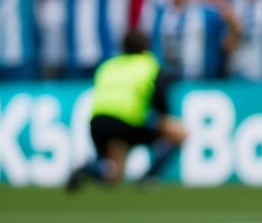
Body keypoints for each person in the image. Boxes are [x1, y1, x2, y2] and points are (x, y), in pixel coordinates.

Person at [66, 31, 187, 192]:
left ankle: (88, 168)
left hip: (98, 123)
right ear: (145, 47)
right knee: (180, 133)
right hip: (126, 122)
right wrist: (162, 117)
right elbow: (159, 94)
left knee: (114, 177)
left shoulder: (108, 65)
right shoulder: (148, 64)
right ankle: (149, 177)